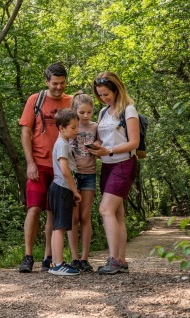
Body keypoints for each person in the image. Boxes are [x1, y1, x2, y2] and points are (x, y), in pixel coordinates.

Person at [18, 63, 72, 273]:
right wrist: (30, 162)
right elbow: (25, 132)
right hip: (38, 164)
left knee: (53, 211)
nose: (58, 87)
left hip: (60, 166)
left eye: (62, 83)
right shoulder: (35, 100)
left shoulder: (70, 102)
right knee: (34, 208)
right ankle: (28, 256)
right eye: (54, 83)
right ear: (46, 81)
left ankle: (48, 257)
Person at [88, 71, 140, 275]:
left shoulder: (128, 110)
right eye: (100, 95)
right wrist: (96, 146)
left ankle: (113, 259)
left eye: (106, 94)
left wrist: (108, 150)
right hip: (107, 165)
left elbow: (133, 142)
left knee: (105, 210)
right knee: (117, 214)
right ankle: (121, 260)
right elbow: (104, 138)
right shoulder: (102, 112)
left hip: (124, 164)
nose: (103, 98)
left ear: (116, 90)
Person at [48, 108, 82, 275]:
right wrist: (75, 191)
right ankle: (59, 264)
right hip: (63, 188)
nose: (77, 131)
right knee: (61, 227)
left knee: (58, 227)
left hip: (58, 187)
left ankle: (56, 263)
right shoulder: (62, 144)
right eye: (73, 128)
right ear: (62, 128)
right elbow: (65, 169)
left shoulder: (62, 143)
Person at [68, 91, 99, 272]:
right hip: (73, 175)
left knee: (85, 216)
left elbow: (102, 143)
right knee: (74, 217)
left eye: (89, 112)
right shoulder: (71, 127)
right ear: (74, 111)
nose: (86, 116)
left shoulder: (95, 127)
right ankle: (74, 257)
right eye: (82, 113)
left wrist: (98, 147)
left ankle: (85, 258)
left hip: (89, 174)